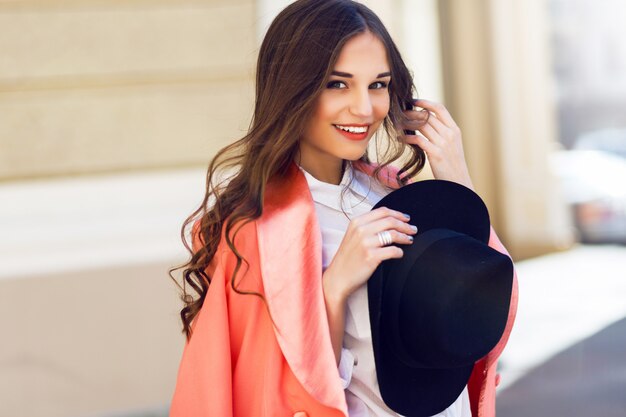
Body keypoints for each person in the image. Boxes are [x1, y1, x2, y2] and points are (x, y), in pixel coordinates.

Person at [169, 1, 518, 416]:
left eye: (378, 84)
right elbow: (270, 394)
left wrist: (458, 181)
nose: (364, 108)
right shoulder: (256, 231)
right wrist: (334, 289)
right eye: (338, 84)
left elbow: (483, 309)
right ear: (292, 88)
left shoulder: (391, 191)